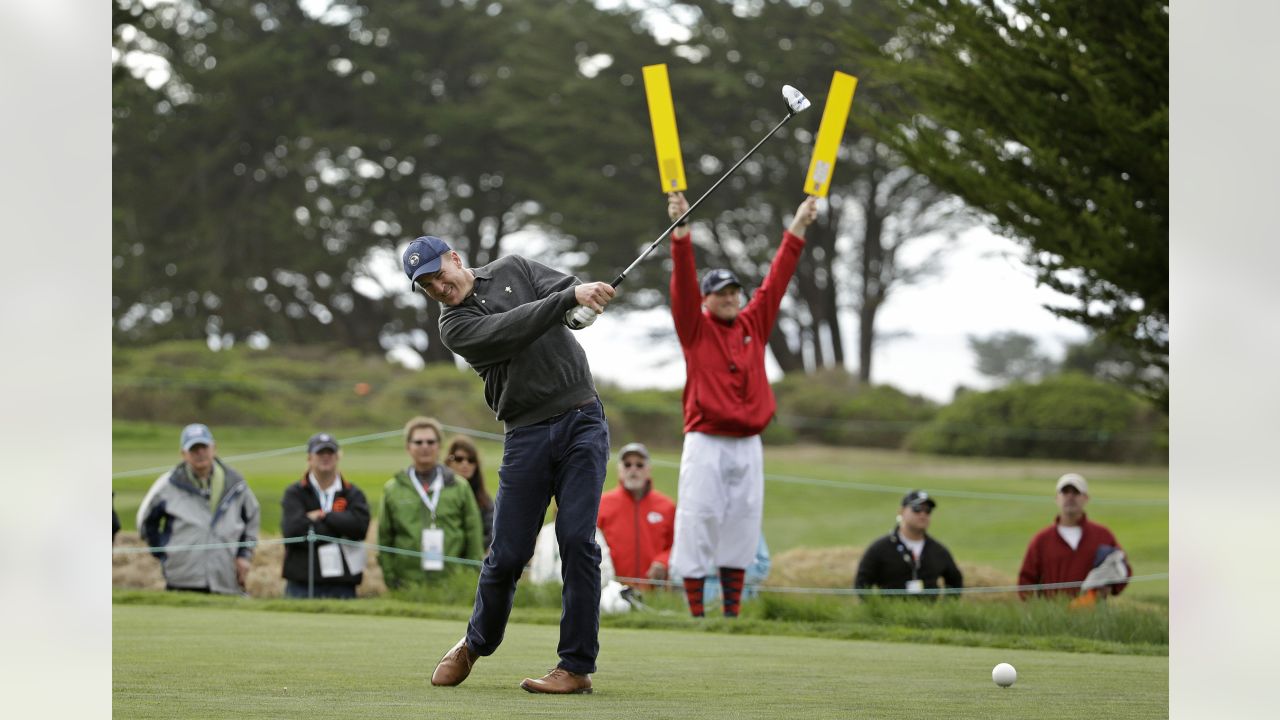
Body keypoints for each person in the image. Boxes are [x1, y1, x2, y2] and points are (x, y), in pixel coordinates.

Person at [405, 235, 615, 694]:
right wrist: (566, 299)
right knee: (507, 556)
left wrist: (583, 305)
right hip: (527, 433)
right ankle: (475, 643)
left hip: (583, 419)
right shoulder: (454, 327)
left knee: (578, 541)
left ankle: (576, 667)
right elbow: (512, 329)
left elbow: (569, 294)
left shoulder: (515, 268)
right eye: (426, 286)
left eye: (439, 274)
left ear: (456, 258)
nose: (438, 287)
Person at [665, 191, 818, 618]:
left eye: (735, 291)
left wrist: (798, 226)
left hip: (749, 441)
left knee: (743, 524)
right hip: (706, 440)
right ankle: (696, 612)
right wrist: (681, 233)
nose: (732, 297)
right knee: (699, 518)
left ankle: (731, 613)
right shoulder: (694, 327)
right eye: (722, 292)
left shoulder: (753, 322)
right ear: (707, 299)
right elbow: (682, 283)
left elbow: (778, 279)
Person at [136, 423, 260, 595]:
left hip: (225, 575)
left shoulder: (235, 484)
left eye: (204, 447)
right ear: (183, 454)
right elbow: (145, 523)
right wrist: (165, 552)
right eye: (194, 449)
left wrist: (244, 555)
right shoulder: (167, 485)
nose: (200, 453)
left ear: (214, 448)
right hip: (182, 575)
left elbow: (252, 518)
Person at [377, 416, 485, 590]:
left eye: (430, 441)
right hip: (407, 584)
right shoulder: (393, 489)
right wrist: (391, 579)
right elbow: (384, 539)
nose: (425, 447)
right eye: (418, 442)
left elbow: (473, 537)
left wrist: (468, 578)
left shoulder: (459, 486)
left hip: (452, 583)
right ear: (408, 447)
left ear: (439, 446)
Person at [280, 432, 372, 599]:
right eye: (320, 453)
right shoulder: (295, 493)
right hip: (302, 584)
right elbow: (292, 531)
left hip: (342, 585)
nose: (325, 457)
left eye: (330, 453)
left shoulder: (353, 493)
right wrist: (339, 527)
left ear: (338, 457)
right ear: (309, 458)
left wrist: (324, 516)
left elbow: (359, 528)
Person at [1018, 473, 1132, 600]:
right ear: (1056, 498)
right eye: (1065, 492)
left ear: (1086, 498)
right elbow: (1025, 582)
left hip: (1093, 615)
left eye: (1076, 492)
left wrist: (1110, 588)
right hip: (1053, 615)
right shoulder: (1041, 539)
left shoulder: (1103, 535)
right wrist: (1037, 612)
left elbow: (1123, 570)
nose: (1070, 497)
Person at [853, 490, 963, 598]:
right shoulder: (880, 548)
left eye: (928, 510)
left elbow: (955, 582)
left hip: (929, 615)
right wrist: (876, 610)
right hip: (889, 615)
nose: (923, 514)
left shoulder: (938, 550)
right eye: (917, 509)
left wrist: (945, 610)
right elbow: (861, 584)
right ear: (901, 511)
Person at [596, 442, 675, 590]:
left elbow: (676, 545)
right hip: (612, 590)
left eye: (639, 465)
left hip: (655, 592)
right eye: (627, 464)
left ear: (648, 469)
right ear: (619, 469)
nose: (633, 469)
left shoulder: (667, 506)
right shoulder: (602, 505)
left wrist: (663, 561)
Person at [529, 505, 632, 615]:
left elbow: (606, 570)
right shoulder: (546, 532)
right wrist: (537, 593)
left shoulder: (593, 533)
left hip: (582, 599)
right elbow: (536, 567)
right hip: (546, 599)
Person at [446, 435, 494, 552]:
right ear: (449, 461)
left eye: (471, 460)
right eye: (459, 459)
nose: (465, 464)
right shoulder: (438, 492)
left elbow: (492, 532)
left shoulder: (484, 499)